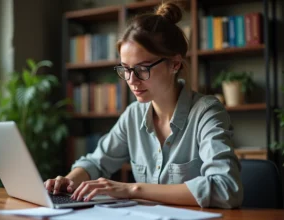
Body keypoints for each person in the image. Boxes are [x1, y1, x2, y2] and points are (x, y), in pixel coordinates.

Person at [44, 1, 243, 209]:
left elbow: (226, 188)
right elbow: (96, 162)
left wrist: (131, 189)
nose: (131, 80)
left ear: (175, 64)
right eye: (125, 69)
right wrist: (69, 180)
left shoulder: (207, 112)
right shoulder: (133, 115)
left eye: (142, 69)